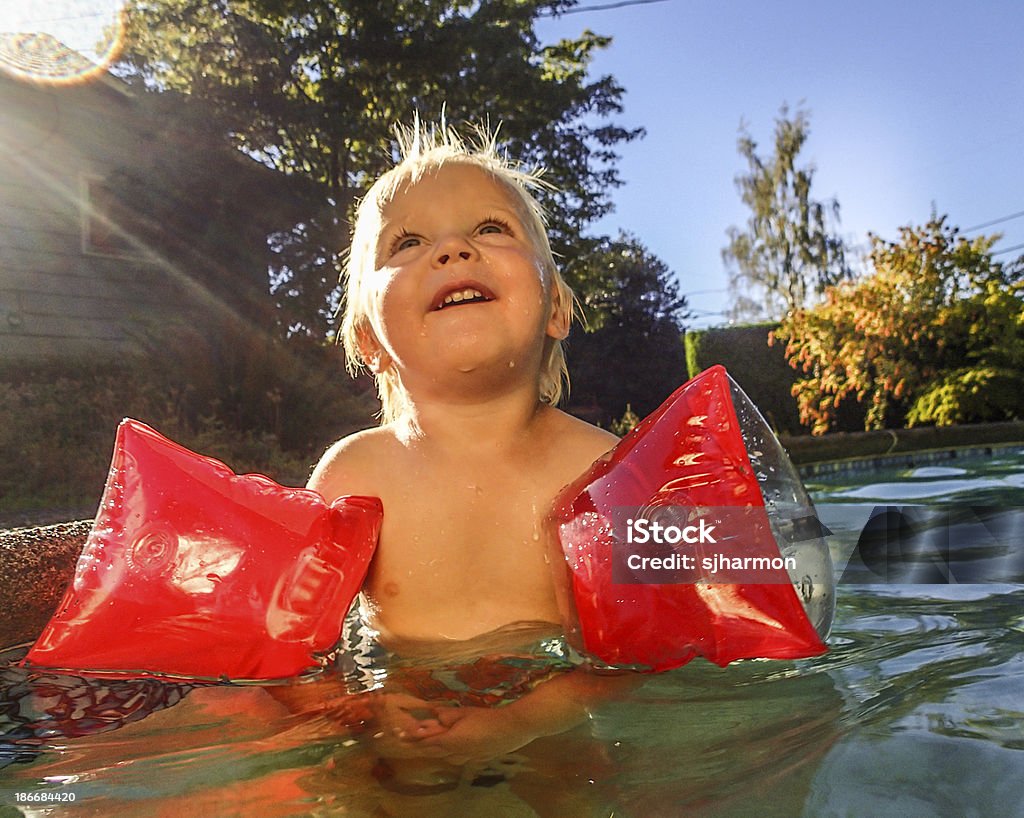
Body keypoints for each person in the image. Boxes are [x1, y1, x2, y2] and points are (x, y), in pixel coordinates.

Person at [303, 121, 636, 774]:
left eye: (490, 229)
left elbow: (642, 650)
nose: (453, 250)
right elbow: (295, 648)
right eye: (409, 241)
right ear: (368, 340)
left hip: (551, 721)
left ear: (556, 309)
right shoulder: (356, 472)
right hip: (400, 720)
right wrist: (356, 712)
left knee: (581, 790)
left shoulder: (604, 470)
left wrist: (514, 724)